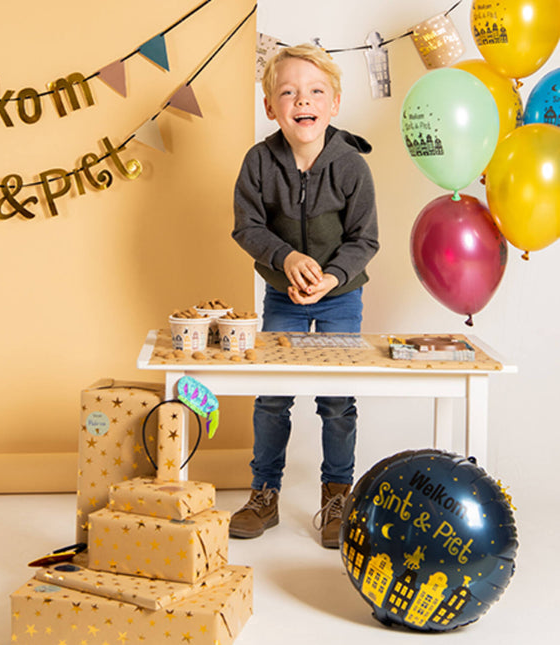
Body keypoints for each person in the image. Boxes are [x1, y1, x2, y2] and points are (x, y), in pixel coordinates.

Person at [230, 43, 380, 548]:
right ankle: (263, 493)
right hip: (282, 298)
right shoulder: (259, 162)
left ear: (334, 103)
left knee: (337, 400)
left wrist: (333, 277)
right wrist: (286, 259)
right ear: (271, 106)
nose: (302, 101)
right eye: (288, 92)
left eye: (315, 91)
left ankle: (337, 496)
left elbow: (365, 239)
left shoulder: (351, 165)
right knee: (272, 396)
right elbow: (246, 227)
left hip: (340, 299)